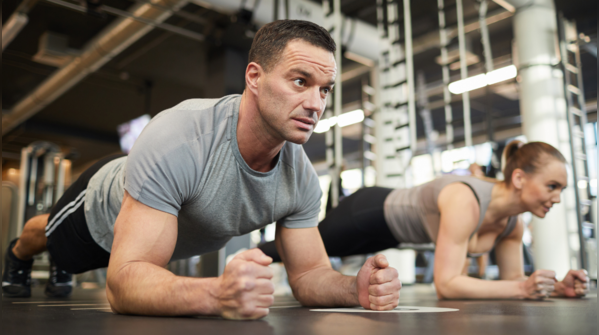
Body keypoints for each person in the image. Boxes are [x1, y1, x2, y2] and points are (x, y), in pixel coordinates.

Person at [2, 20, 402, 318]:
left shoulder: (300, 182)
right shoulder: (180, 138)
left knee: (65, 262)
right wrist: (218, 294)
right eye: (300, 81)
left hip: (147, 228)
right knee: (47, 237)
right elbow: (123, 283)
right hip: (100, 209)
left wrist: (356, 288)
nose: (316, 104)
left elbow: (310, 273)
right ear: (254, 78)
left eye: (324, 89)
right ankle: (16, 255)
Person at [260, 140, 590, 300]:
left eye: (560, 189)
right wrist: (522, 287)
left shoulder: (511, 224)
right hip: (369, 212)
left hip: (392, 235)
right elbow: (446, 285)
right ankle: (248, 256)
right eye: (552, 186)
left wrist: (556, 287)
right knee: (289, 249)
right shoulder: (465, 200)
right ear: (518, 179)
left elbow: (515, 280)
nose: (557, 197)